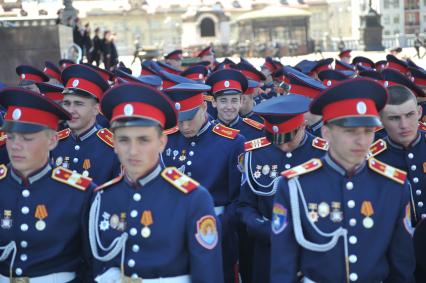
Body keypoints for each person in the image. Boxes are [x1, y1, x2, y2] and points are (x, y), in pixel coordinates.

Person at [270, 78, 415, 282]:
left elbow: (402, 267)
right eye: (350, 131)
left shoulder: (393, 185)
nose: (361, 140)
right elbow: (282, 267)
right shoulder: (295, 184)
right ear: (326, 132)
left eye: (368, 131)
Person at [88, 83, 224, 283]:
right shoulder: (104, 197)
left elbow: (208, 275)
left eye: (143, 140)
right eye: (124, 140)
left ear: (162, 142)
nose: (133, 151)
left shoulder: (192, 198)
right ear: (114, 144)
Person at [0, 87, 95, 282]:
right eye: (10, 137)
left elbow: (92, 263)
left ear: (52, 140)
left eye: (27, 138)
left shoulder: (79, 192)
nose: (16, 145)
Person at [238, 94, 327, 283]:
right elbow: (245, 205)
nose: (283, 145)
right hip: (268, 250)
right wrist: (263, 228)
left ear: (302, 125)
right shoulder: (256, 153)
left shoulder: (323, 153)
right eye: (276, 139)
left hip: (313, 250)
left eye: (288, 138)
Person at [162, 83, 245, 283]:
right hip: (173, 232)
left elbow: (239, 199)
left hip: (217, 232)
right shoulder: (167, 139)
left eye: (190, 119)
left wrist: (218, 226)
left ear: (204, 108)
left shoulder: (232, 142)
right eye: (179, 121)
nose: (185, 127)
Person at [51, 64, 121, 185]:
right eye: (67, 103)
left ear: (95, 109)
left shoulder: (113, 148)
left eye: (79, 104)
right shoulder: (53, 142)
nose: (71, 110)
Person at [206, 69, 264, 140]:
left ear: (241, 101)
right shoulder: (206, 133)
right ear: (214, 102)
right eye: (223, 101)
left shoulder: (257, 131)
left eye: (234, 100)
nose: (229, 107)